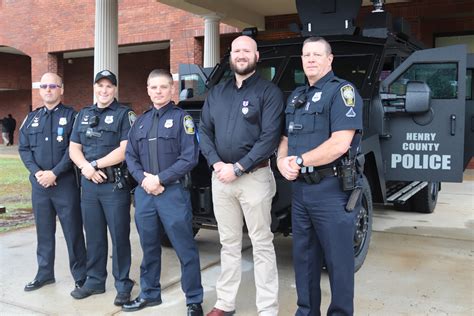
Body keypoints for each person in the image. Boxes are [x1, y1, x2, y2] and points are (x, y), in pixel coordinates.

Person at [276, 37, 363, 316]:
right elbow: (286, 137)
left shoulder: (342, 93)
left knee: (338, 262)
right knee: (304, 259)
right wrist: (281, 161)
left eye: (316, 54)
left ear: (329, 59)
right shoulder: (297, 96)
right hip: (301, 191)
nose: (310, 59)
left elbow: (340, 144)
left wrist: (300, 161)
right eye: (306, 55)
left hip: (331, 189)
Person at [199, 35, 284, 316]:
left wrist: (238, 167)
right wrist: (216, 165)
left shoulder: (269, 93)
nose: (241, 55)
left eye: (247, 50)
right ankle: (225, 303)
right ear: (230, 57)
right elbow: (204, 132)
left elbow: (269, 138)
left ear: (256, 57)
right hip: (221, 178)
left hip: (254, 179)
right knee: (228, 243)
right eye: (236, 50)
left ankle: (268, 309)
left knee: (261, 243)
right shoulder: (217, 93)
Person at [123, 69, 204, 315]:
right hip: (145, 194)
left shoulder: (183, 119)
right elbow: (130, 156)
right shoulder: (140, 121)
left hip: (172, 194)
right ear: (148, 90)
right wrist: (144, 181)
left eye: (163, 87)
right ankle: (149, 293)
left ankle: (193, 299)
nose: (158, 91)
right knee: (149, 247)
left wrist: (159, 179)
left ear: (172, 89)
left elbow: (190, 157)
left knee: (184, 248)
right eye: (153, 87)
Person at [69, 70, 135, 306]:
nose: (104, 90)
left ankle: (123, 284)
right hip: (89, 186)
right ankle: (95, 281)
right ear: (94, 87)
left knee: (119, 237)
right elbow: (74, 147)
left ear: (115, 89)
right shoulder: (83, 114)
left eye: (109, 86)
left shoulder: (124, 114)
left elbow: (125, 149)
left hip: (113, 185)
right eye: (100, 86)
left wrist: (95, 164)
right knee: (94, 236)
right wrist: (86, 168)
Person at [18, 72, 87, 292]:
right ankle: (44, 273)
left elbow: (74, 150)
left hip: (65, 184)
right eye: (44, 86)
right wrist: (38, 173)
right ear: (40, 90)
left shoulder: (73, 116)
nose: (48, 89)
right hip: (40, 186)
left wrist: (54, 173)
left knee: (73, 231)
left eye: (53, 86)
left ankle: (80, 276)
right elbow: (24, 149)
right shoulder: (31, 118)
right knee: (44, 232)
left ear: (61, 89)